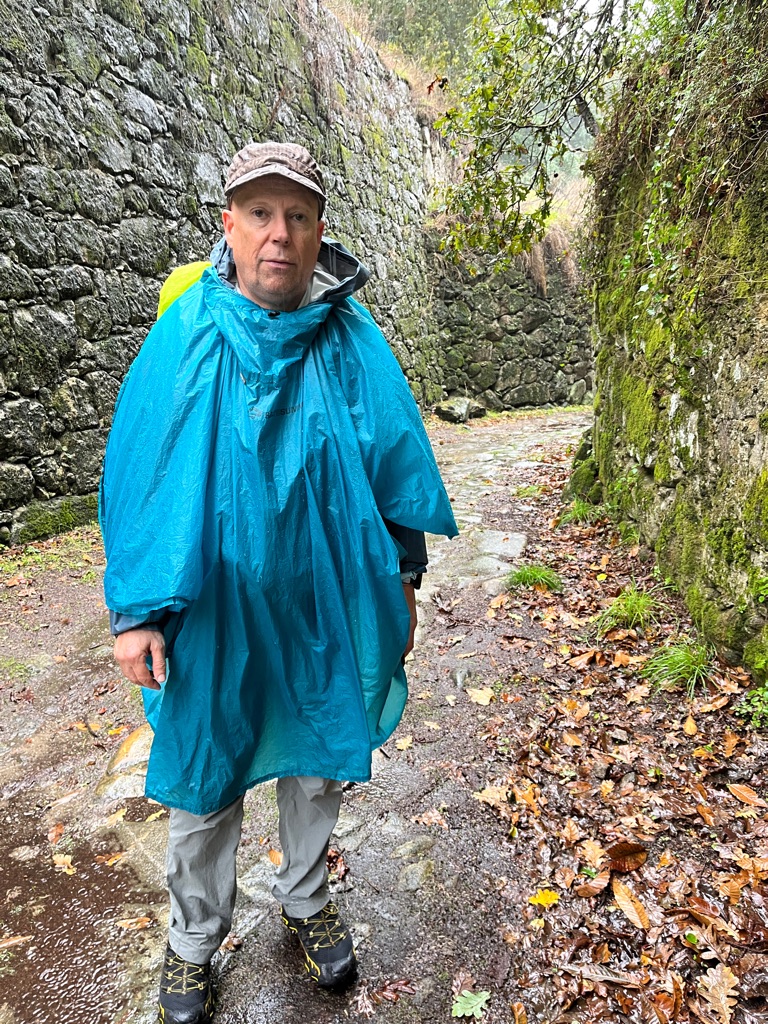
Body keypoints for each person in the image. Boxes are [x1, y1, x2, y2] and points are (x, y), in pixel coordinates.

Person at [100, 141, 457, 1024]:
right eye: (260, 214)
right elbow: (142, 473)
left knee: (319, 758)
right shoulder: (186, 332)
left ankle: (305, 896)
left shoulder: (350, 338)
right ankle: (193, 943)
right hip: (211, 608)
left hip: (325, 599)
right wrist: (137, 611)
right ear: (230, 224)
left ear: (318, 231)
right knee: (206, 771)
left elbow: (393, 460)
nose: (279, 235)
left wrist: (405, 576)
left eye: (297, 217)